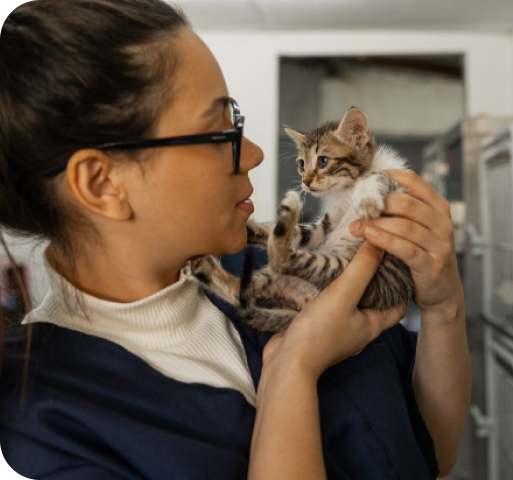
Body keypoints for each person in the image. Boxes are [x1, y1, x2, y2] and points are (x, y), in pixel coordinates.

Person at [0, 1, 471, 478]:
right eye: (218, 130)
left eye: (237, 120)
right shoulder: (37, 424)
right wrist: (293, 372)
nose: (256, 152)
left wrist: (443, 305)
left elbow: (435, 450)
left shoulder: (268, 268)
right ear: (103, 185)